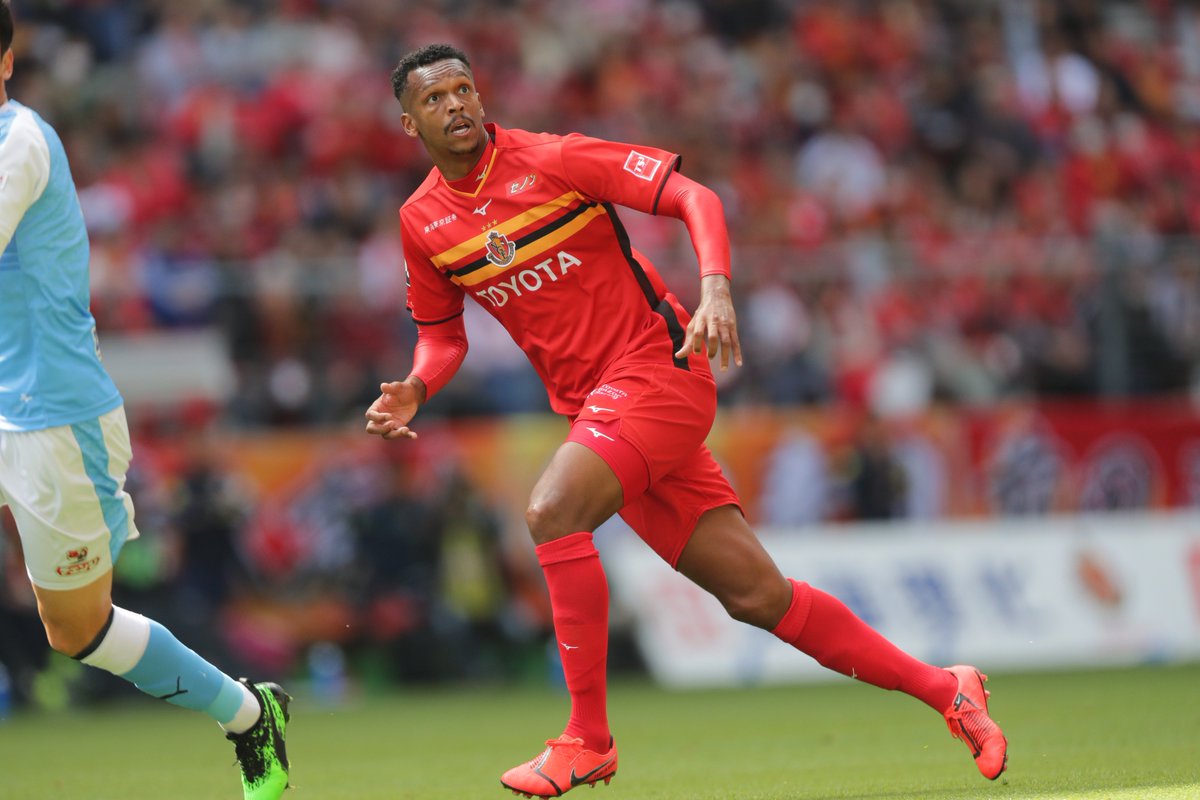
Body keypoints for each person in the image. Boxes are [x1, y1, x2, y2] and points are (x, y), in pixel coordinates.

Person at [366, 43, 1007, 798]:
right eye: (434, 99)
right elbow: (443, 336)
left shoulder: (556, 158)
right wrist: (417, 385)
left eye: (464, 89)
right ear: (409, 123)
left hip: (658, 370)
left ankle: (586, 741)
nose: (455, 105)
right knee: (758, 596)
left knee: (551, 511)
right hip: (598, 411)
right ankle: (948, 690)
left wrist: (717, 289)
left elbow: (695, 197)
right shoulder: (422, 221)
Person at [0, 4, 290, 798]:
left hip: (52, 418)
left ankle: (248, 715)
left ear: (7, 62)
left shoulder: (20, 142)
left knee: (78, 629)